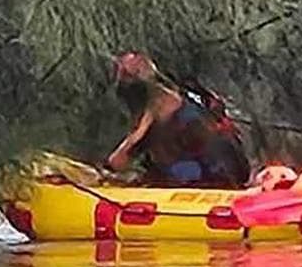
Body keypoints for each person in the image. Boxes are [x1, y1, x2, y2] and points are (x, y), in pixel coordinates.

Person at [105, 52, 251, 188]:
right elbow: (120, 159)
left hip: (205, 183)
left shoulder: (164, 109)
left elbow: (120, 159)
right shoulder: (174, 100)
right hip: (220, 175)